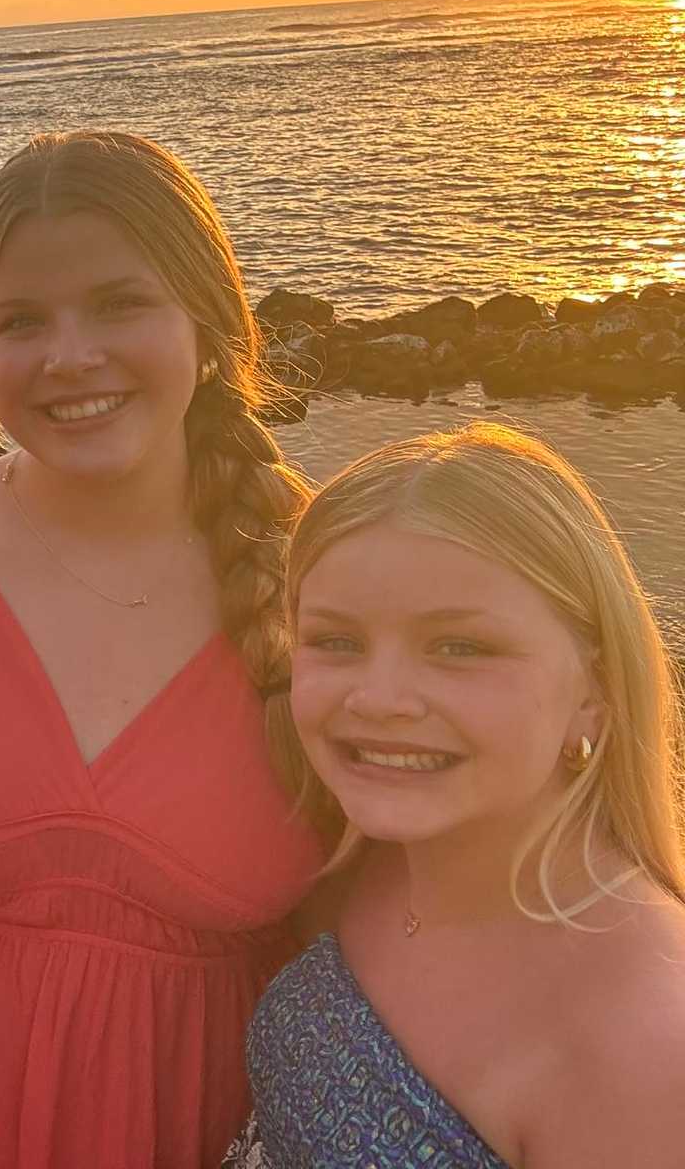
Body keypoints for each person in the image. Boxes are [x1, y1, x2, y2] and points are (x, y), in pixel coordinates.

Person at [0, 130, 328, 1166]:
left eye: (121, 304)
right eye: (22, 321)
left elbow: (427, 915)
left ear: (209, 324)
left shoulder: (329, 584)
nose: (70, 356)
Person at [225, 424, 685, 1168]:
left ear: (593, 693)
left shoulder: (649, 1050)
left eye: (460, 647)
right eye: (336, 641)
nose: (378, 699)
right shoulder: (369, 865)